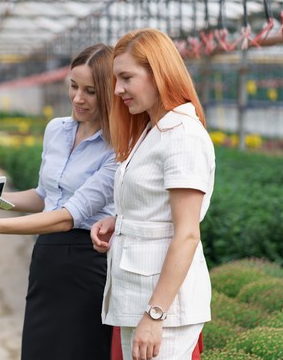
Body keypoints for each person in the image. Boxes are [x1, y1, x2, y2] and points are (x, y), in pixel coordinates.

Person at [0, 43, 116, 360]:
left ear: (109, 92)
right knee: (39, 349)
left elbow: (68, 216)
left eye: (90, 91)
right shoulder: (57, 130)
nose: (78, 98)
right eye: (74, 86)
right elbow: (44, 196)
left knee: (81, 349)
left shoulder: (116, 148)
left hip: (88, 263)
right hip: (46, 257)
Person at [91, 28, 215, 360]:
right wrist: (118, 221)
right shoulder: (153, 130)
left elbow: (187, 234)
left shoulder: (183, 135)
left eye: (126, 78)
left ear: (158, 72)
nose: (118, 90)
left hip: (164, 312)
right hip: (137, 298)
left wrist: (155, 315)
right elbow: (160, 207)